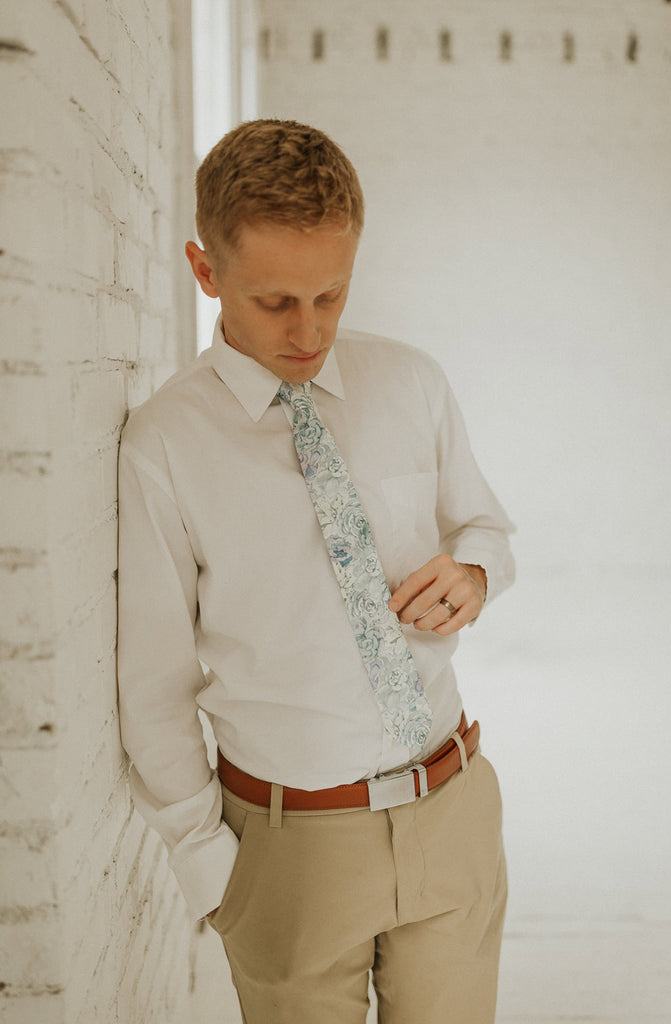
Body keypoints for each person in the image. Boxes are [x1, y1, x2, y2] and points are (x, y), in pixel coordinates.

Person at [117, 118, 515, 1023]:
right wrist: (208, 865)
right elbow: (153, 683)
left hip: (449, 807)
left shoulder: (409, 383)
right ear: (205, 270)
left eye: (331, 294)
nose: (309, 330)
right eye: (275, 302)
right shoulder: (164, 445)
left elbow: (483, 526)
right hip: (289, 846)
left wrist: (474, 573)